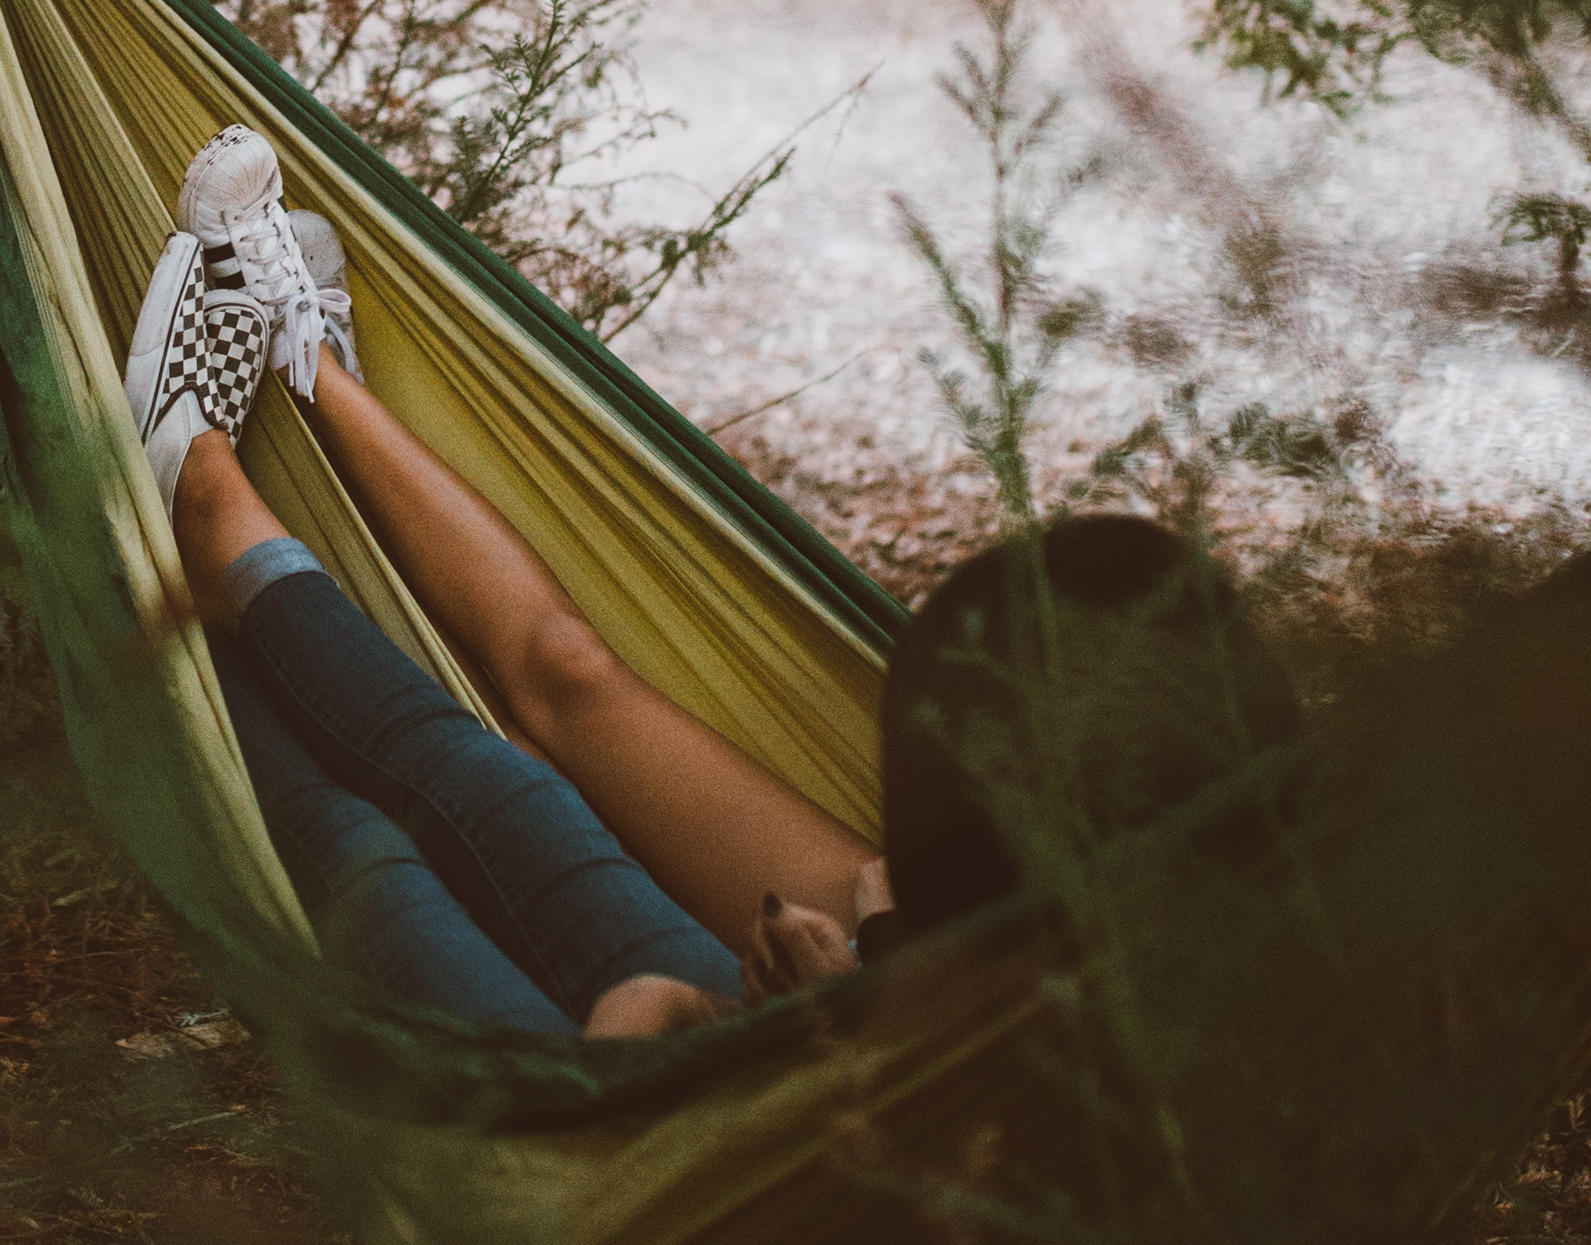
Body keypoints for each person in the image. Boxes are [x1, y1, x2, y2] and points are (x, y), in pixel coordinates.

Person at [124, 125, 1300, 1038]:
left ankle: (197, 515)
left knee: (370, 845)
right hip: (922, 989)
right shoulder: (1285, 968)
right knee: (562, 689)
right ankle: (315, 381)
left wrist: (738, 1029)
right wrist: (872, 967)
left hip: (678, 1137)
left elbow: (657, 1070)